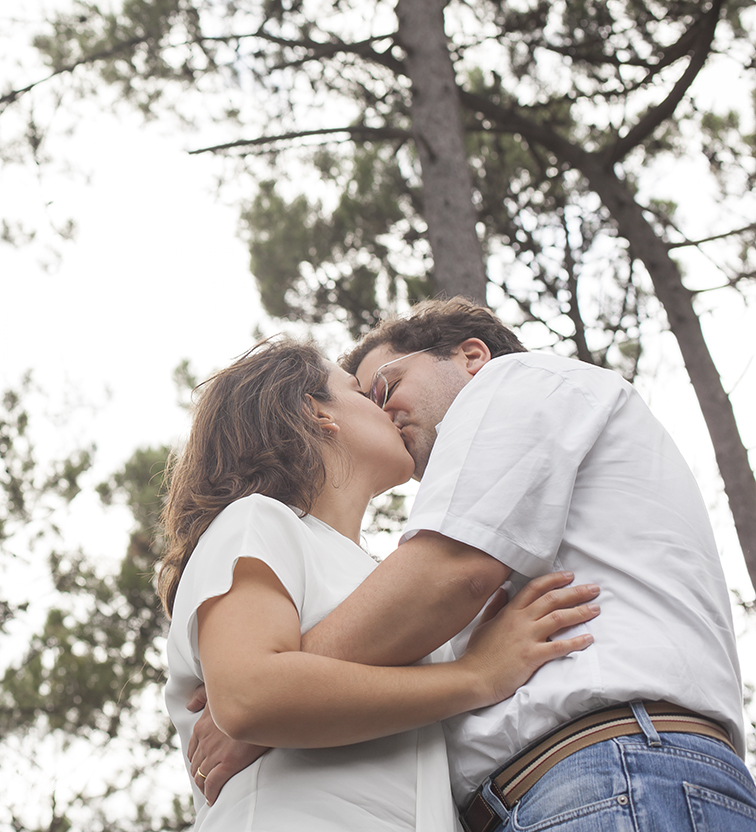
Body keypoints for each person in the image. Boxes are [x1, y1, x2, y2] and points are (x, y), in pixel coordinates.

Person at [187, 299, 754, 832]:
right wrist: (268, 699)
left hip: (608, 771)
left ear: (471, 357)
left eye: (387, 385)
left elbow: (449, 573)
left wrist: (268, 709)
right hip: (584, 782)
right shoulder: (288, 535)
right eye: (364, 395)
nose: (384, 409)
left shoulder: (516, 381)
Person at [161, 336, 600, 831]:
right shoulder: (255, 520)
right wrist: (477, 676)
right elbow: (249, 696)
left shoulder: (368, 575)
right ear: (315, 412)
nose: (385, 407)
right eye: (360, 392)